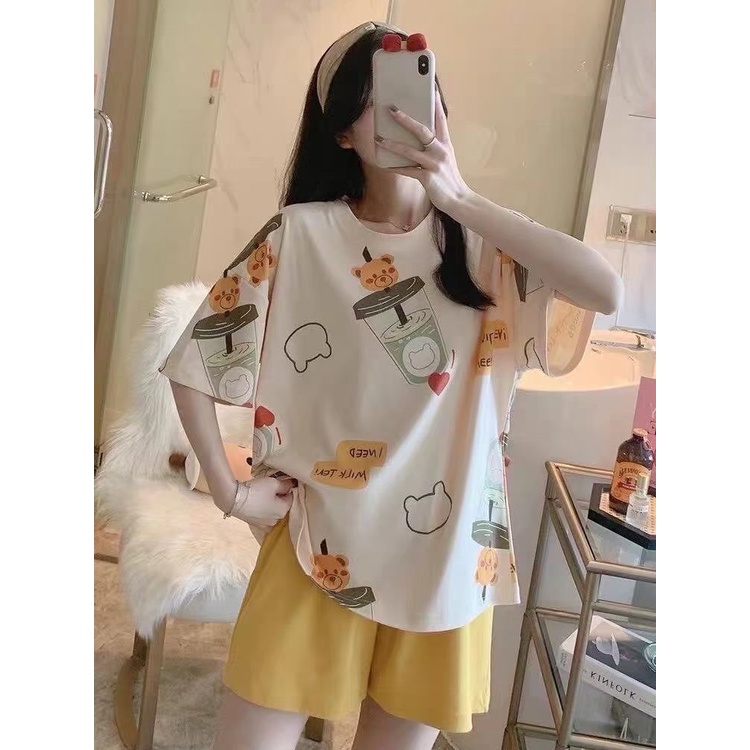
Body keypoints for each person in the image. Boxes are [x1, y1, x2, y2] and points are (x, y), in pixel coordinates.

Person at [161, 21, 622, 750]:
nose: (403, 113)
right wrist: (231, 492)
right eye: (376, 100)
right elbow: (194, 362)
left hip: (447, 559)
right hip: (318, 542)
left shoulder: (488, 246)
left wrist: (461, 199)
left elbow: (605, 290)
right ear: (342, 132)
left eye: (417, 90)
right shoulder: (299, 235)